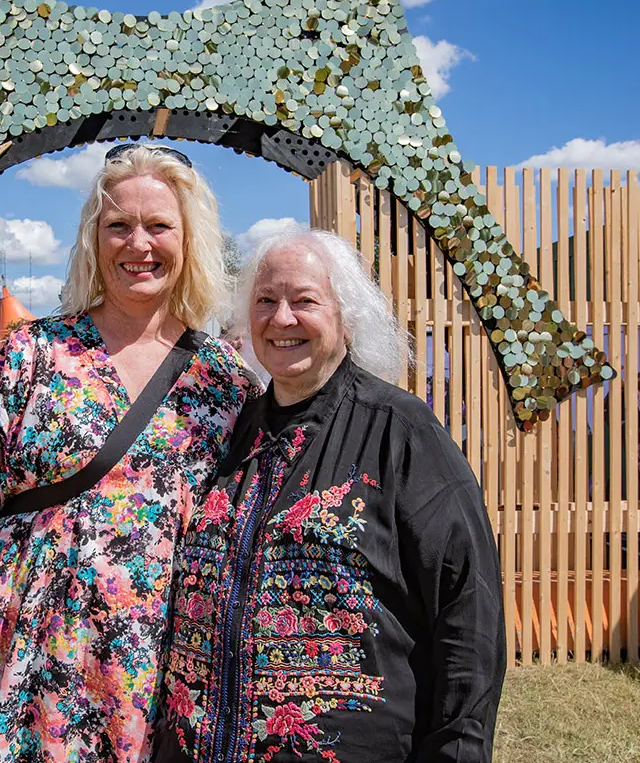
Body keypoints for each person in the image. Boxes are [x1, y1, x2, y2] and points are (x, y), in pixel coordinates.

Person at [0, 144, 257, 763]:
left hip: (165, 655)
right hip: (33, 646)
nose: (139, 244)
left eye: (159, 226)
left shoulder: (224, 379)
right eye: (118, 226)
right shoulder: (32, 353)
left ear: (189, 240)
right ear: (92, 240)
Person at [153, 227, 507, 763]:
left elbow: (466, 610)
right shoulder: (229, 432)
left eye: (305, 301)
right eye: (265, 301)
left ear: (347, 314)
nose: (282, 319)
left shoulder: (401, 431)